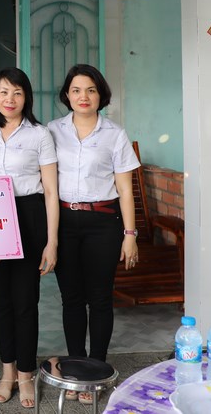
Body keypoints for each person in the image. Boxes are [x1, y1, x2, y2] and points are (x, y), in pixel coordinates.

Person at [48, 64, 140, 403]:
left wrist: (129, 234)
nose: (83, 96)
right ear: (67, 95)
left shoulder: (115, 134)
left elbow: (125, 189)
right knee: (71, 299)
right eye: (76, 90)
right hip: (64, 222)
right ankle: (75, 368)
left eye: (90, 90)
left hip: (103, 222)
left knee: (100, 298)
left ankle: (96, 370)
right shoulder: (52, 131)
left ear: (101, 95)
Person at [0, 68, 59, 409]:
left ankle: (25, 374)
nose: (10, 99)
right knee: (1, 301)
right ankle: (7, 372)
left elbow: (50, 191)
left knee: (25, 301)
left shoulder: (40, 134)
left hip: (29, 215)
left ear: (27, 97)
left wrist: (52, 242)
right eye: (4, 92)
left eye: (17, 92)